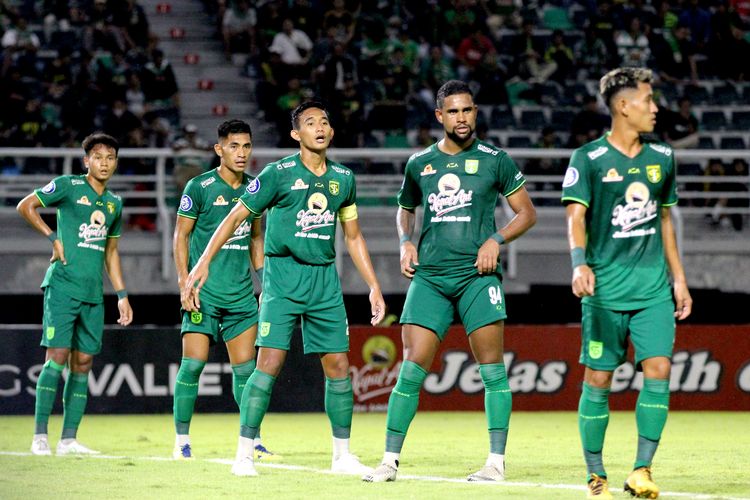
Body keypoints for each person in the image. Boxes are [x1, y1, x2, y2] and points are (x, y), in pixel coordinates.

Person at [182, 101, 385, 477]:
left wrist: (373, 285)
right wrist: (204, 260)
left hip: (324, 280)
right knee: (268, 364)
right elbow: (237, 216)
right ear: (296, 134)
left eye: (324, 121)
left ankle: (342, 455)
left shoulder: (344, 178)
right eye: (310, 123)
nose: (319, 127)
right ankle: (244, 454)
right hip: (283, 278)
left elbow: (354, 236)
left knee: (339, 366)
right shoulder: (277, 174)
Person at [362, 80, 537, 483]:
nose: (461, 118)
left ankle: (495, 463)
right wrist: (405, 242)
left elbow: (527, 213)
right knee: (411, 369)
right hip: (431, 279)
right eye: (453, 111)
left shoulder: (496, 160)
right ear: (439, 115)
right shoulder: (420, 163)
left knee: (492, 370)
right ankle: (388, 461)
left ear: (475, 112)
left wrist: (496, 240)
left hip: (478, 277)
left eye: (467, 110)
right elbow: (405, 208)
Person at [560, 67, 692, 499]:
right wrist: (579, 264)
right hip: (604, 292)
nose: (655, 108)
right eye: (648, 100)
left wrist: (679, 279)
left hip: (652, 290)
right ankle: (595, 474)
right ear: (622, 106)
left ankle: (641, 470)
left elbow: (665, 221)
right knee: (599, 379)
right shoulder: (588, 159)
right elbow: (575, 218)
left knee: (659, 369)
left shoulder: (663, 157)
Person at [16, 132, 134, 456]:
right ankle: (40, 436)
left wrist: (122, 294)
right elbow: (26, 206)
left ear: (115, 163)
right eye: (98, 157)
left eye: (110, 158)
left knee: (82, 362)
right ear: (86, 161)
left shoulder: (114, 202)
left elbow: (111, 252)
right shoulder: (68, 186)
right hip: (62, 287)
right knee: (56, 357)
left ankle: (68, 439)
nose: (104, 163)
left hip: (93, 294)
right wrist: (52, 238)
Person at [172, 119, 274, 461]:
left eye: (246, 146)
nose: (241, 153)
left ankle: (252, 441)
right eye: (234, 146)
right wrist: (184, 281)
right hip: (203, 293)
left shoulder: (255, 188)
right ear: (219, 149)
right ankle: (181, 441)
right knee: (193, 365)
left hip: (241, 295)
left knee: (246, 371)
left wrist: (265, 283)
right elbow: (181, 236)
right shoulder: (199, 186)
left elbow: (256, 238)